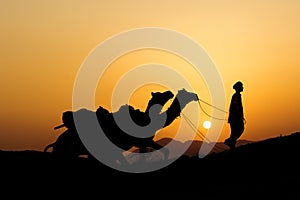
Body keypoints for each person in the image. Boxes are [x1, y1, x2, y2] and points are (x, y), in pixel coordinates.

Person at [224, 81, 245, 149]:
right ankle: (230, 141)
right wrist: (240, 116)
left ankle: (231, 144)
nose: (243, 88)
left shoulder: (236, 95)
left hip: (233, 117)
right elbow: (237, 107)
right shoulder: (237, 96)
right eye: (241, 86)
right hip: (235, 118)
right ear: (238, 88)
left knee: (234, 132)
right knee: (240, 129)